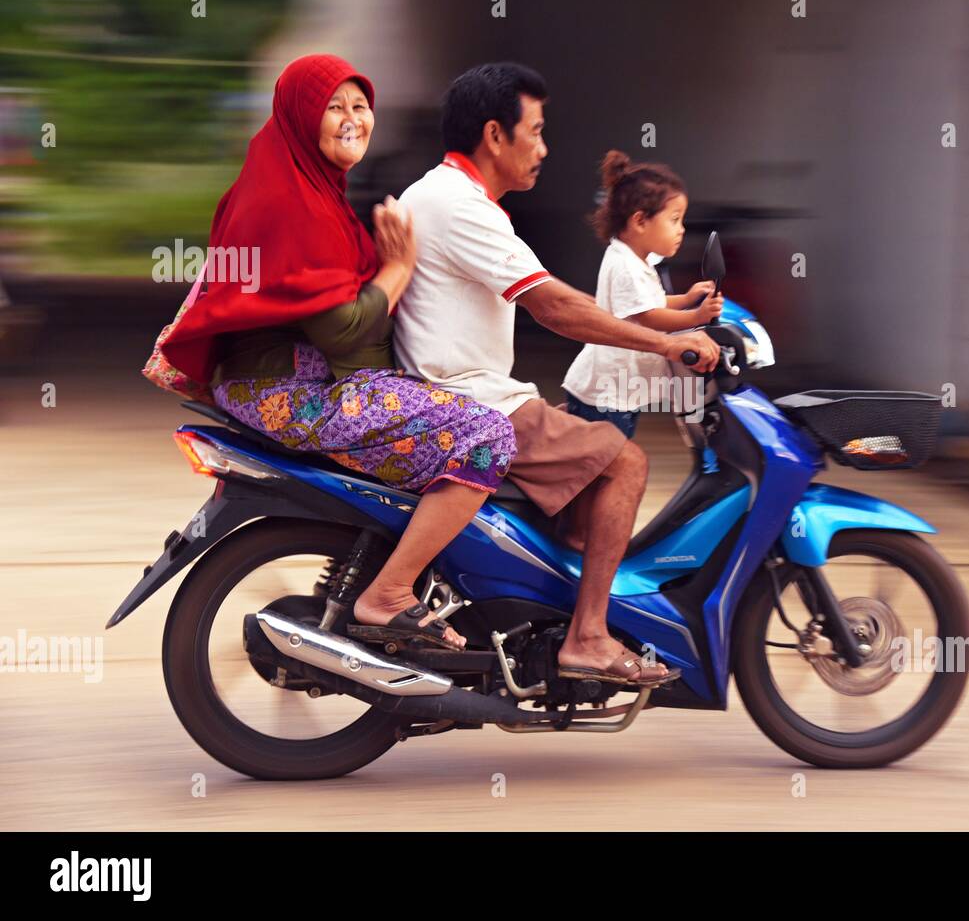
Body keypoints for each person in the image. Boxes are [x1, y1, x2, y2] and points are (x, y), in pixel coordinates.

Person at [159, 54, 518, 651]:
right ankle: (389, 593)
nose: (353, 119)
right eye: (334, 107)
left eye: (360, 106)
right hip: (291, 394)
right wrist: (399, 266)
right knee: (488, 435)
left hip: (284, 385)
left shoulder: (299, 185)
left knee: (450, 413)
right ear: (302, 115)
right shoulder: (290, 202)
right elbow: (343, 330)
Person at [394, 62, 720, 688]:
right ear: (495, 135)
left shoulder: (433, 194)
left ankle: (543, 598)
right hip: (474, 399)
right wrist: (668, 343)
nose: (544, 148)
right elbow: (556, 307)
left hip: (448, 390)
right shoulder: (464, 208)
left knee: (587, 458)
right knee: (625, 462)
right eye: (536, 131)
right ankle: (589, 638)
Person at [561, 150, 724, 438]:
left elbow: (649, 303)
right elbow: (648, 317)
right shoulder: (625, 265)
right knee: (606, 468)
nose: (681, 229)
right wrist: (695, 316)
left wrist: (686, 299)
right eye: (674, 219)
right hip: (606, 397)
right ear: (640, 221)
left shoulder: (636, 260)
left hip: (614, 392)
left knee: (604, 466)